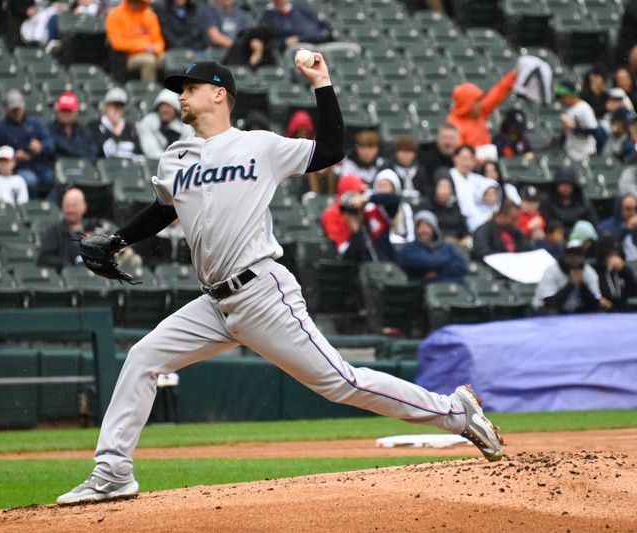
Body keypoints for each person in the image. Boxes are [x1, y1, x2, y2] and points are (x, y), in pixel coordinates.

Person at [56, 58, 503, 505]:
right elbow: (164, 210)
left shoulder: (259, 146)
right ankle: (113, 472)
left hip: (262, 293)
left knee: (342, 383)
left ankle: (455, 412)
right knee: (143, 358)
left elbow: (329, 149)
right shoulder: (176, 156)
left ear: (218, 94)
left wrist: (321, 84)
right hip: (215, 304)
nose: (181, 95)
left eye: (189, 87)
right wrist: (117, 239)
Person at [0, 89, 56, 199]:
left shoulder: (36, 123)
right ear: (6, 109)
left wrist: (41, 147)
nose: (17, 112)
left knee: (52, 179)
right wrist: (12, 156)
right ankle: (31, 208)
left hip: (38, 164)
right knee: (29, 180)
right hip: (16, 169)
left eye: (18, 109)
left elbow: (50, 143)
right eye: (13, 110)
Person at [322, 174, 399, 261]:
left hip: (382, 259)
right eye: (359, 192)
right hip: (355, 266)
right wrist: (356, 230)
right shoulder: (332, 214)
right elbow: (348, 256)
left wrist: (368, 199)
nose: (361, 195)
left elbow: (394, 200)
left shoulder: (367, 208)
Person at [531, 241, 610, 314]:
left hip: (573, 312)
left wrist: (582, 285)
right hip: (543, 310)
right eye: (571, 254)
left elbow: (594, 303)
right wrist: (571, 284)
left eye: (578, 255)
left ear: (583, 257)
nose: (575, 258)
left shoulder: (589, 272)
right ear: (565, 256)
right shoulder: (552, 271)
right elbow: (550, 303)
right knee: (552, 312)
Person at [447, 69, 517, 148]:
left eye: (480, 100)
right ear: (466, 103)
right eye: (476, 101)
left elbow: (498, 92)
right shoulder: (453, 125)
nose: (480, 104)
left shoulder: (480, 113)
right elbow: (458, 156)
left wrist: (515, 73)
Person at [399, 210, 468, 284]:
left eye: (427, 226)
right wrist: (448, 260)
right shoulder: (410, 249)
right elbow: (425, 263)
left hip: (452, 288)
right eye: (419, 226)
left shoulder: (447, 247)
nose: (423, 230)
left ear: (434, 228)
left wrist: (438, 272)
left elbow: (462, 266)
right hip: (423, 290)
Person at [105, 0, 165, 82]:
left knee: (169, 60)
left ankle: (171, 91)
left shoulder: (150, 15)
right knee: (149, 61)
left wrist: (156, 49)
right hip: (127, 57)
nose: (136, 4)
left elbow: (159, 41)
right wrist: (142, 47)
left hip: (151, 52)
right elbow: (117, 43)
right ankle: (148, 91)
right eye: (133, 1)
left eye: (139, 2)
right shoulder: (115, 15)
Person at [37, 188, 94, 270]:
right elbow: (44, 259)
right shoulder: (54, 232)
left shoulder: (94, 229)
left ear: (84, 206)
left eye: (74, 206)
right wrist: (69, 267)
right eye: (67, 206)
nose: (70, 210)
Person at [90, 87, 145, 162]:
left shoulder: (130, 128)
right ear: (106, 107)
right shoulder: (94, 127)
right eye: (114, 106)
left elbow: (139, 153)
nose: (116, 110)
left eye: (120, 107)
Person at [137, 89, 194, 160]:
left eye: (169, 106)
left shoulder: (184, 126)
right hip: (155, 165)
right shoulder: (147, 123)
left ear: (175, 109)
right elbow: (151, 151)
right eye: (162, 106)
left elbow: (190, 149)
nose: (165, 109)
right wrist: (172, 160)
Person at [539, 166, 599, 235]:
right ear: (557, 185)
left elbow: (594, 223)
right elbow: (546, 222)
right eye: (563, 184)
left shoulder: (583, 202)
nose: (566, 188)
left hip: (580, 237)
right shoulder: (547, 201)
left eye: (569, 185)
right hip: (555, 237)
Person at [417, 173, 470, 245]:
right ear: (435, 187)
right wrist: (445, 237)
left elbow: (462, 227)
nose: (444, 191)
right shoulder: (426, 205)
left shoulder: (454, 205)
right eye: (441, 186)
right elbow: (425, 228)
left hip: (455, 242)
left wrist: (464, 237)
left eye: (447, 187)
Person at [259, 0, 332, 51]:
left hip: (316, 43)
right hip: (294, 51)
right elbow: (267, 44)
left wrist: (300, 38)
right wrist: (284, 42)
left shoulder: (302, 9)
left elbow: (325, 30)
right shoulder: (268, 17)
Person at [49, 91, 98, 164]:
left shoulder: (84, 131)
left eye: (69, 111)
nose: (65, 114)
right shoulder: (48, 130)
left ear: (76, 112)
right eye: (63, 110)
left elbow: (92, 153)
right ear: (57, 111)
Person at [555, 80, 599, 161]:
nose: (561, 100)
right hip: (572, 154)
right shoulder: (569, 108)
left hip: (585, 155)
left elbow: (593, 131)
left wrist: (574, 128)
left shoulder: (584, 108)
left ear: (570, 95)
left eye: (563, 97)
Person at [595, 236, 637, 311]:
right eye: (611, 255)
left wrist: (624, 270)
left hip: (622, 310)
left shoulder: (623, 271)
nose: (615, 258)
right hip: (601, 312)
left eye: (617, 255)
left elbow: (634, 291)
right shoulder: (596, 271)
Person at [374, 169, 414, 245]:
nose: (382, 190)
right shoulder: (372, 207)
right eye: (380, 186)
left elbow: (410, 235)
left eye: (386, 186)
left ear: (394, 187)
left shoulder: (404, 207)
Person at [448, 144, 486, 224]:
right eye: (464, 158)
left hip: (479, 220)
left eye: (470, 159)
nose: (467, 163)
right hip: (456, 220)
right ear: (455, 158)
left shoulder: (479, 180)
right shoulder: (448, 176)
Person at [386, 134, 431, 198]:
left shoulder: (421, 171)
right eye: (402, 151)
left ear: (415, 154)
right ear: (396, 153)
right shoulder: (389, 170)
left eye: (409, 152)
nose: (405, 156)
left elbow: (426, 193)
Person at [598, 193, 637, 261]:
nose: (632, 212)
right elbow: (608, 244)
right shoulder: (606, 226)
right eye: (628, 209)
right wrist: (626, 229)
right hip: (621, 264)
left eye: (635, 209)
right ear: (620, 209)